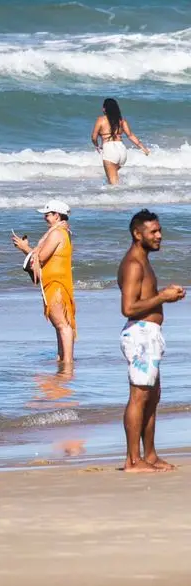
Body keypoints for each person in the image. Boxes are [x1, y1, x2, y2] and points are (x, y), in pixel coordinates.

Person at [118, 209, 184, 472]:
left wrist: (165, 297)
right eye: (153, 231)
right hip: (140, 334)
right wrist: (162, 297)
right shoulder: (134, 264)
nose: (159, 236)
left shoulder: (142, 261)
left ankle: (151, 456)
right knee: (139, 396)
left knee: (152, 397)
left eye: (159, 230)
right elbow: (128, 308)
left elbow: (143, 299)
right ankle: (133, 461)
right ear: (138, 234)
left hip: (149, 334)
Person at [13, 200, 78, 369]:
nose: (45, 218)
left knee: (62, 325)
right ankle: (62, 358)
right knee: (60, 325)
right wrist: (27, 249)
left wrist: (24, 248)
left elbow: (40, 258)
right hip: (54, 282)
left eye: (47, 215)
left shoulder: (57, 234)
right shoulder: (61, 232)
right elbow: (41, 257)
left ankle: (67, 363)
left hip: (56, 284)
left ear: (57, 216)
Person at [92, 98, 149, 185]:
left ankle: (124, 193)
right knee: (112, 179)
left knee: (114, 185)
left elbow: (94, 137)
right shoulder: (122, 121)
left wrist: (96, 145)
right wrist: (143, 148)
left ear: (104, 109)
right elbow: (130, 135)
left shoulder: (101, 120)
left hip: (110, 150)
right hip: (122, 151)